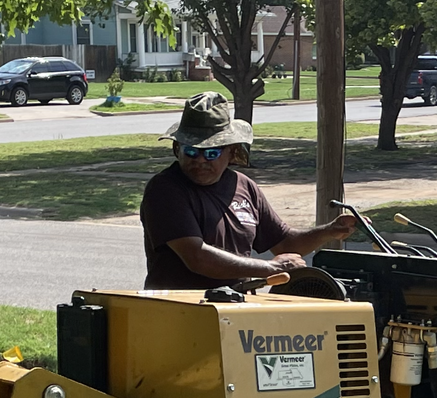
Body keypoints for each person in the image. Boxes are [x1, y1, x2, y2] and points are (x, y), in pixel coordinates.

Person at [140, 93, 357, 289]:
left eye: (211, 153)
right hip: (178, 312)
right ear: (177, 149)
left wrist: (330, 230)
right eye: (191, 151)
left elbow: (285, 244)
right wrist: (269, 268)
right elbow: (197, 257)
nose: (200, 161)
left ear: (232, 151)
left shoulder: (243, 186)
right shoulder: (165, 190)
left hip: (235, 308)